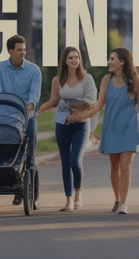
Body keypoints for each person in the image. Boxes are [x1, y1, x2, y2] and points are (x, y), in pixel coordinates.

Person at [68, 47, 139, 215]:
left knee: (125, 166)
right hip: (111, 127)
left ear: (122, 61)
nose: (109, 62)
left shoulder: (135, 79)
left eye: (112, 59)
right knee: (114, 166)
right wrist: (80, 117)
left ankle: (124, 204)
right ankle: (117, 199)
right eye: (109, 58)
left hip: (130, 128)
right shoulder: (106, 79)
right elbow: (98, 106)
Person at [38, 47, 97, 211]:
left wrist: (76, 111)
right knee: (65, 162)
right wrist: (40, 109)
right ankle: (69, 200)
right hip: (62, 123)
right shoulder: (58, 80)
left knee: (75, 161)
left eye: (76, 57)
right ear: (65, 60)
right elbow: (54, 100)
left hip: (81, 123)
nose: (74, 60)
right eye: (70, 57)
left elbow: (91, 100)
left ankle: (79, 196)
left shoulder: (87, 78)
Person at [0, 35, 41, 204]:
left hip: (27, 117)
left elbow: (34, 93)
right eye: (19, 50)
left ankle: (31, 195)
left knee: (29, 156)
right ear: (10, 51)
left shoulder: (34, 70)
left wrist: (29, 108)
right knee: (7, 151)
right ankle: (13, 182)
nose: (22, 53)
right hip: (6, 116)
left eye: (24, 49)